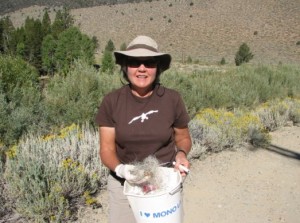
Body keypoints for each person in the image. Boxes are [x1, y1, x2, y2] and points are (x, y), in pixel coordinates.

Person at [95, 35, 192, 223]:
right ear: (125, 67)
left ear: (158, 68)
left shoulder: (172, 99)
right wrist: (122, 170)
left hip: (164, 181)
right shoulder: (111, 101)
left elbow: (183, 138)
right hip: (124, 184)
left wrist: (181, 154)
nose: (141, 68)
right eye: (134, 62)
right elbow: (106, 149)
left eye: (149, 63)